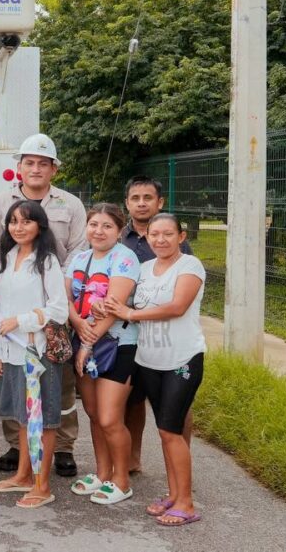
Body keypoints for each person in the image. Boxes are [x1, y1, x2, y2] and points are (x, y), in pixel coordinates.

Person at [0, 133, 87, 477]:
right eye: (30, 162)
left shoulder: (69, 204)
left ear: (54, 169)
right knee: (15, 383)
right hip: (13, 297)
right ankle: (19, 446)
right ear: (20, 167)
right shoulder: (0, 204)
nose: (36, 168)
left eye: (43, 163)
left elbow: (77, 252)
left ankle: (63, 448)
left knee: (59, 383)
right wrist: (0, 298)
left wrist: (59, 290)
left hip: (56, 303)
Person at [103, 213, 206, 527]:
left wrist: (130, 314)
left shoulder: (190, 265)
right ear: (146, 237)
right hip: (149, 360)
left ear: (181, 236)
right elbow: (119, 300)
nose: (160, 240)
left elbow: (177, 307)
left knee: (171, 430)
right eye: (154, 234)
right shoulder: (144, 269)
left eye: (168, 234)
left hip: (181, 360)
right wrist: (103, 306)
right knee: (164, 431)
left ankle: (186, 503)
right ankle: (173, 495)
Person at [0, 200, 69, 509]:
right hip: (12, 352)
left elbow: (59, 310)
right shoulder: (9, 257)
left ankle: (42, 485)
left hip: (38, 353)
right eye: (13, 221)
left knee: (43, 420)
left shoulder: (46, 261)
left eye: (26, 221)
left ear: (39, 226)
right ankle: (23, 475)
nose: (18, 227)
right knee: (24, 417)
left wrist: (20, 322)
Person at [67, 203, 140, 505]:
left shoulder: (124, 258)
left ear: (120, 230)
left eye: (107, 226)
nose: (99, 231)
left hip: (116, 344)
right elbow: (67, 299)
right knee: (94, 415)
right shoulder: (79, 258)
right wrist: (77, 323)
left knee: (110, 418)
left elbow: (114, 305)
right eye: (94, 224)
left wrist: (86, 343)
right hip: (83, 338)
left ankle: (122, 480)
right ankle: (102, 472)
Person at [120, 175, 193, 473]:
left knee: (177, 404)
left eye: (147, 198)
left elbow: (182, 298)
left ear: (159, 201)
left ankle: (180, 465)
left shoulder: (174, 241)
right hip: (127, 333)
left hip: (169, 336)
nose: (141, 203)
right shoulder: (117, 236)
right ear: (126, 203)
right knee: (132, 399)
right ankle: (133, 459)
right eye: (135, 198)